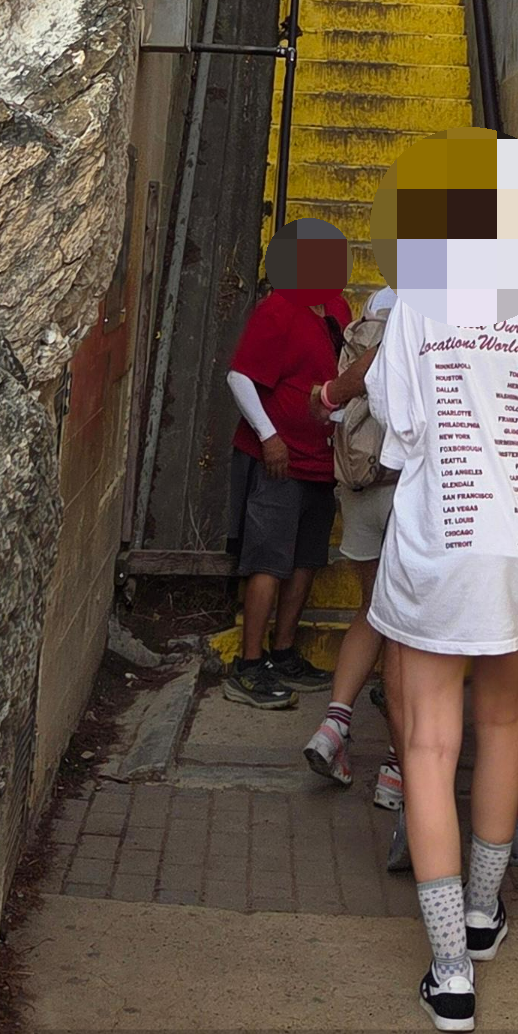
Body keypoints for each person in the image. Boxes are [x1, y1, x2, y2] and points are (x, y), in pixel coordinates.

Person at [348, 135, 518, 1032]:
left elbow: (398, 425)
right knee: (504, 724)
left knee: (427, 746)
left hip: (439, 545)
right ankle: (488, 913)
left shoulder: (422, 300)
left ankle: (451, 969)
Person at [219, 217, 350, 709]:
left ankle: (284, 651)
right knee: (269, 560)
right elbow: (240, 377)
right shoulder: (278, 309)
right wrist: (269, 436)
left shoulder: (335, 306)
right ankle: (248, 665)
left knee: (306, 560)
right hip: (279, 459)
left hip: (320, 458)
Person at [301, 288, 405, 810]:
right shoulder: (445, 299)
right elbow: (375, 363)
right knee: (414, 630)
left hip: (361, 482)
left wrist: (326, 398)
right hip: (410, 488)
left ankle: (334, 724)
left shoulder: (376, 299)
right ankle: (397, 765)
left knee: (371, 610)